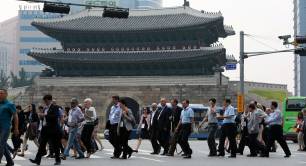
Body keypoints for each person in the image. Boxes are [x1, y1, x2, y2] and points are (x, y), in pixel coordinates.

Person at [29, 94, 62, 165]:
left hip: (54, 129)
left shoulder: (55, 107)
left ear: (50, 100)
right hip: (45, 129)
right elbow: (43, 118)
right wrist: (41, 116)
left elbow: (55, 117)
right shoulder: (45, 108)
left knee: (55, 145)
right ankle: (37, 160)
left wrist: (45, 115)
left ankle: (58, 160)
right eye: (44, 101)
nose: (45, 102)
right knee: (42, 145)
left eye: (46, 101)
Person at [0, 89, 19, 166]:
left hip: (5, 127)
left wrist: (16, 128)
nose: (0, 94)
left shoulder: (10, 104)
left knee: (1, 144)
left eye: (1, 93)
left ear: (6, 94)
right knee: (3, 144)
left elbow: (15, 116)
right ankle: (10, 162)